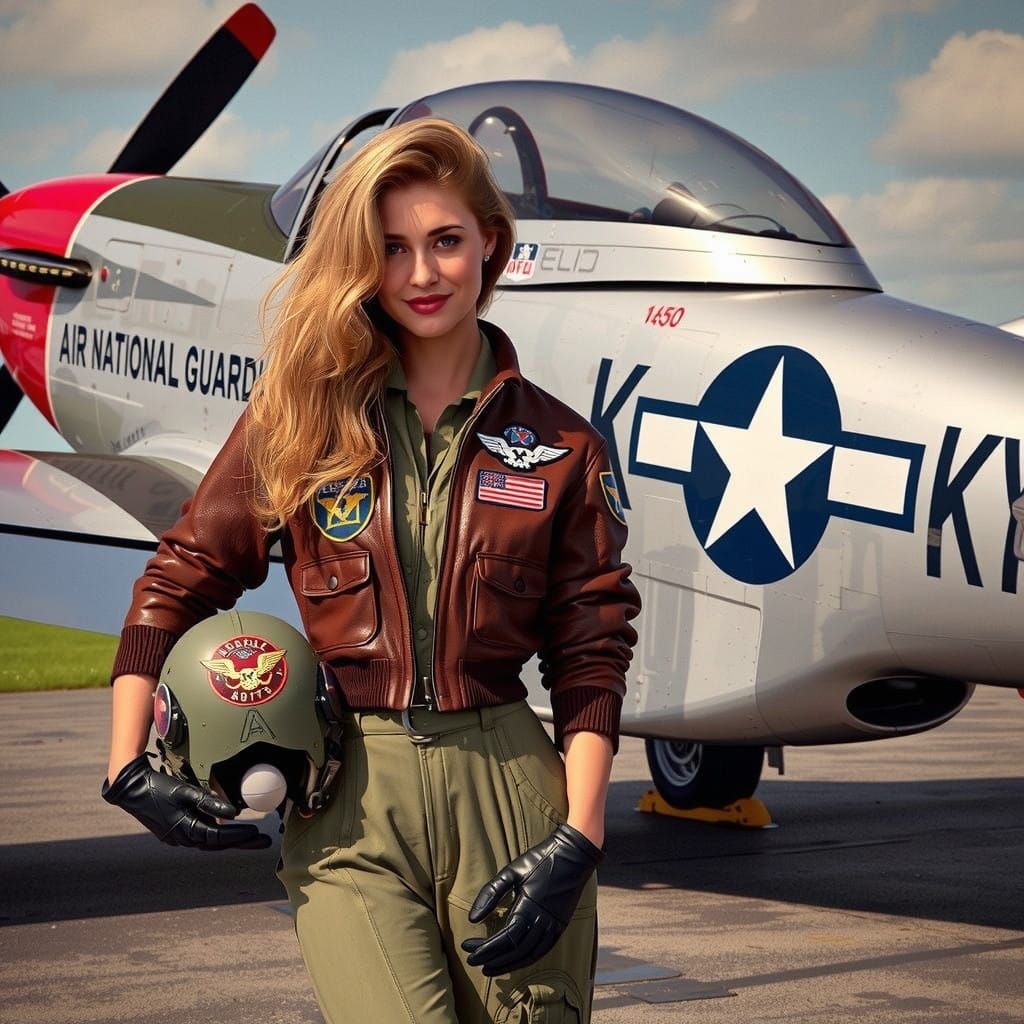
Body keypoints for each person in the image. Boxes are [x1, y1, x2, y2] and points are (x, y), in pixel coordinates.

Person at [102, 117, 641, 1023]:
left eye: (445, 242)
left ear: (490, 246)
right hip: (347, 798)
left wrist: (580, 835)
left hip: (512, 791)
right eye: (392, 250)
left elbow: (592, 646)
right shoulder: (302, 416)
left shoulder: (562, 444)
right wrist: (126, 764)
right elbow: (182, 575)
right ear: (363, 263)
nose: (422, 274)